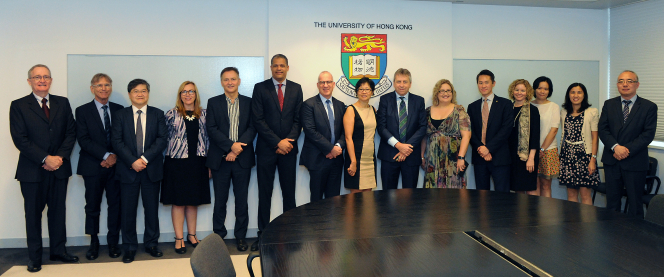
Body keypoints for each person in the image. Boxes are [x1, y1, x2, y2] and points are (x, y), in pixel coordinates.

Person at [10, 64, 78, 272]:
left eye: (46, 76)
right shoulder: (19, 105)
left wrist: (59, 158)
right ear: (29, 81)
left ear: (51, 80)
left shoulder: (62, 103)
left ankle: (58, 251)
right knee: (33, 214)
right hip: (32, 171)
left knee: (58, 212)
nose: (42, 80)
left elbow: (70, 133)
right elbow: (20, 139)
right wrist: (45, 158)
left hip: (59, 169)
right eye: (37, 77)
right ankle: (35, 257)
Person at [111, 79, 168, 263]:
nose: (140, 94)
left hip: (151, 169)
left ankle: (151, 244)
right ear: (129, 94)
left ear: (148, 93)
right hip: (128, 170)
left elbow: (162, 140)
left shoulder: (157, 114)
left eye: (144, 91)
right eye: (136, 91)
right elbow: (116, 141)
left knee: (151, 209)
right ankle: (129, 247)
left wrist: (143, 159)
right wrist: (133, 161)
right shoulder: (120, 115)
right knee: (128, 211)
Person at [251, 54, 303, 251]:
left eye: (282, 66)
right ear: (271, 67)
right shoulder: (260, 88)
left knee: (289, 193)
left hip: (289, 149)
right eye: (275, 66)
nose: (279, 69)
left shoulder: (296, 88)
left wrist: (287, 142)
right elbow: (258, 120)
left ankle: (290, 234)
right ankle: (262, 235)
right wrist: (277, 142)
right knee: (265, 193)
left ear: (287, 67)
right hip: (266, 149)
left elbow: (298, 120)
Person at [207, 67, 256, 252]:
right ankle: (218, 238)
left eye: (233, 79)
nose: (230, 82)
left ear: (239, 81)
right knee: (220, 201)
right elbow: (211, 129)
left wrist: (237, 149)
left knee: (242, 201)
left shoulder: (249, 102)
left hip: (242, 160)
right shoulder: (213, 102)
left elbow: (253, 128)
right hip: (220, 160)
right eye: (226, 79)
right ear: (222, 82)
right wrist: (230, 146)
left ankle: (241, 237)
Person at [75, 73, 123, 260]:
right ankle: (93, 242)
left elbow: (123, 137)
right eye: (99, 85)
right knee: (92, 206)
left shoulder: (120, 109)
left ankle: (113, 242)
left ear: (111, 87)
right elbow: (83, 139)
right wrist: (105, 156)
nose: (104, 88)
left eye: (107, 85)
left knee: (115, 205)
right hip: (92, 166)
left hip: (116, 166)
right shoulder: (82, 110)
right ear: (92, 88)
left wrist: (114, 156)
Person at [599, 70, 657, 218]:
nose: (625, 84)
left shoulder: (648, 107)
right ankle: (611, 235)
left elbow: (647, 134)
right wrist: (616, 147)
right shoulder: (609, 104)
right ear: (617, 85)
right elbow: (603, 129)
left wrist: (626, 150)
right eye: (621, 81)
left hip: (635, 161)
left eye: (629, 81)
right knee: (612, 203)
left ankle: (634, 239)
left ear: (637, 84)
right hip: (612, 160)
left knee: (635, 203)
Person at [162, 81, 211, 254]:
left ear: (196, 94)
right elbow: (162, 139)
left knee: (193, 201)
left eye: (191, 91)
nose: (187, 94)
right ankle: (179, 238)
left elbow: (208, 140)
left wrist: (209, 165)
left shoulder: (204, 114)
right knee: (178, 201)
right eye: (184, 91)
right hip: (176, 164)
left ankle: (192, 235)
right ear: (180, 95)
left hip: (197, 163)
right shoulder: (171, 114)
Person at [376, 68, 426, 189]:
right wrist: (398, 145)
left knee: (410, 197)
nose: (401, 85)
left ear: (410, 84)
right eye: (399, 81)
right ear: (394, 83)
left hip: (411, 155)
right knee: (387, 196)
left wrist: (406, 147)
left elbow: (422, 127)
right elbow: (381, 127)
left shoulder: (419, 101)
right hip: (389, 155)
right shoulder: (385, 100)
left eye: (405, 81)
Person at [300, 71, 346, 201]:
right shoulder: (309, 105)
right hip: (317, 159)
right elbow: (310, 131)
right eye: (322, 82)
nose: (325, 85)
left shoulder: (340, 105)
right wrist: (330, 149)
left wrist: (337, 147)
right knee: (316, 201)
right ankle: (316, 223)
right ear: (318, 84)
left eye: (328, 82)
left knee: (334, 201)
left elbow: (345, 131)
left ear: (333, 84)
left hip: (336, 160)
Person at [467, 70, 513, 192]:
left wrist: (489, 148)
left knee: (502, 197)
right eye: (480, 83)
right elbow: (470, 131)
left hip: (500, 158)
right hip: (479, 157)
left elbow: (506, 129)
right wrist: (482, 149)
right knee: (481, 196)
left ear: (493, 83)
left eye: (486, 82)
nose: (483, 85)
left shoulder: (505, 104)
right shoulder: (472, 106)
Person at [420, 79, 471, 188]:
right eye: (442, 91)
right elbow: (424, 136)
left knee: (453, 194)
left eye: (448, 91)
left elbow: (466, 136)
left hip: (453, 161)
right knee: (432, 194)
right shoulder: (427, 111)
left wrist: (461, 158)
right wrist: (422, 157)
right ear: (436, 93)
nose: (445, 93)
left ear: (452, 93)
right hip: (432, 161)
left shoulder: (459, 110)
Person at [560, 83, 600, 204]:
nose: (575, 95)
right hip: (567, 156)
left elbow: (595, 138)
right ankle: (573, 223)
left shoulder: (591, 112)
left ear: (584, 95)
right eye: (572, 92)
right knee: (571, 195)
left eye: (579, 92)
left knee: (585, 195)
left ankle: (587, 223)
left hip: (584, 157)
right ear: (568, 95)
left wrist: (592, 159)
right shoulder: (564, 112)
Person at [344, 77, 378, 193]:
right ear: (356, 91)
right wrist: (353, 162)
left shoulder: (373, 109)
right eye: (361, 89)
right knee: (354, 201)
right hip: (356, 159)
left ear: (372, 92)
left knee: (368, 201)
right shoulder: (351, 110)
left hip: (370, 159)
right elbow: (348, 138)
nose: (364, 92)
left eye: (367, 89)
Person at [507, 79, 540, 194]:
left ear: (528, 92)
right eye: (517, 90)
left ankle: (531, 212)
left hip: (527, 156)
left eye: (522, 90)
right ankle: (518, 213)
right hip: (511, 156)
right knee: (517, 189)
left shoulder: (533, 110)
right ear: (512, 91)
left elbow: (535, 136)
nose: (519, 93)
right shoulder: (507, 108)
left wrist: (531, 158)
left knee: (530, 188)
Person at [531, 76, 560, 198]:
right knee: (533, 185)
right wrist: (534, 150)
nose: (542, 91)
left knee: (545, 185)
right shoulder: (528, 105)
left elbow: (554, 130)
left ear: (549, 91)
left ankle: (547, 215)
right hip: (531, 151)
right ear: (534, 89)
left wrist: (542, 149)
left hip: (548, 150)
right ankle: (535, 215)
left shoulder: (554, 106)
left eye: (546, 89)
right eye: (539, 88)